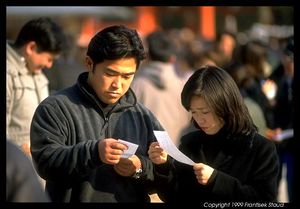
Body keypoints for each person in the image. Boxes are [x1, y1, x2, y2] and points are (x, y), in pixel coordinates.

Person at [30, 25, 164, 202]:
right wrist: (94, 152)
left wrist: (139, 168)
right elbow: (45, 164)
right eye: (110, 73)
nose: (118, 84)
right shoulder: (55, 108)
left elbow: (164, 179)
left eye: (127, 76)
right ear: (89, 63)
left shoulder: (143, 116)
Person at [148, 65, 279, 202]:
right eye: (193, 112)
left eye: (205, 112)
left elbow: (264, 200)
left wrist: (217, 180)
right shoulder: (191, 143)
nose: (199, 119)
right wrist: (163, 166)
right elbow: (174, 196)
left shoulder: (260, 149)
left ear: (225, 105)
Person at [6, 17, 67, 156]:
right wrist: (21, 151)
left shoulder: (38, 74)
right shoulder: (9, 75)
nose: (49, 65)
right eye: (49, 59)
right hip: (16, 169)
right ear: (31, 48)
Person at [131, 31, 190, 146]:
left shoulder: (137, 84)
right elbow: (187, 120)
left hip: (144, 153)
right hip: (175, 149)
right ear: (172, 58)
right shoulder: (183, 85)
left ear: (147, 56)